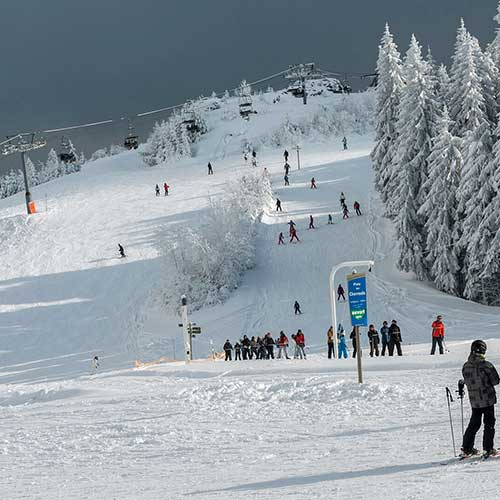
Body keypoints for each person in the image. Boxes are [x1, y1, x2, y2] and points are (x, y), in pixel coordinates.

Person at [461, 340, 500, 458]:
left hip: (474, 400)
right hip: (487, 399)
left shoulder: (466, 365)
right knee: (489, 423)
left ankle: (467, 448)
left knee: (474, 423)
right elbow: (495, 381)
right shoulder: (486, 365)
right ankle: (488, 448)